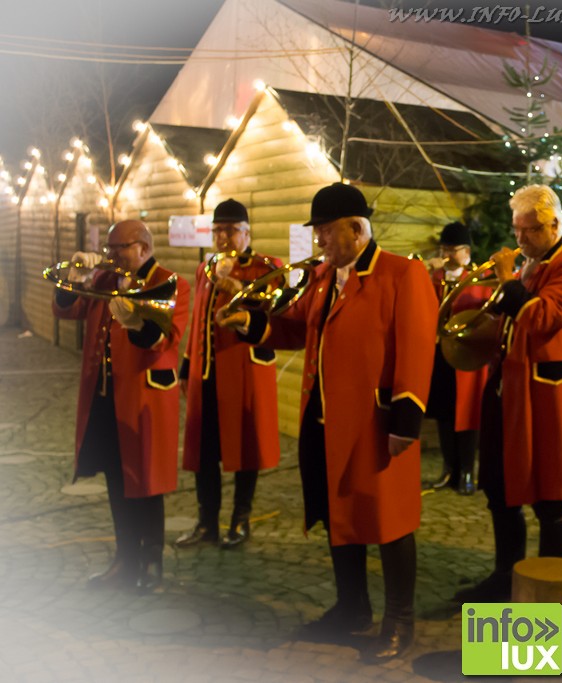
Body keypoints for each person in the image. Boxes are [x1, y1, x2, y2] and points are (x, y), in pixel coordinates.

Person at [218, 183, 436, 661]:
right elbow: (295, 328)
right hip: (325, 420)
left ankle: (400, 621)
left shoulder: (402, 273)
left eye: (326, 231)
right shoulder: (321, 278)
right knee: (340, 513)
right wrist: (249, 324)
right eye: (317, 231)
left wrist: (406, 419)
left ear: (357, 229)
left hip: (377, 422)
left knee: (390, 521)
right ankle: (352, 607)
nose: (319, 240)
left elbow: (417, 347)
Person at [453, 184, 562, 603]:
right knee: (499, 487)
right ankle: (506, 576)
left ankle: (550, 589)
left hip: (547, 398)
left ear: (555, 225)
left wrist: (506, 281)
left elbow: (541, 317)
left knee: (548, 494)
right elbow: (512, 321)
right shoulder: (530, 266)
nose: (520, 239)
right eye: (517, 229)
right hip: (509, 388)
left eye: (530, 230)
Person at [53, 220, 190, 592]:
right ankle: (125, 559)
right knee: (116, 476)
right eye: (109, 248)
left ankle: (151, 564)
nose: (111, 256)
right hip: (104, 395)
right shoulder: (104, 280)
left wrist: (134, 320)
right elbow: (67, 309)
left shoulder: (170, 282)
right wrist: (75, 278)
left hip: (144, 398)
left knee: (146, 481)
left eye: (119, 248)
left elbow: (164, 339)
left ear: (143, 247)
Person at [176, 199, 283, 549]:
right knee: (204, 451)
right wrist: (187, 366)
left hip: (243, 370)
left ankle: (240, 519)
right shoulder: (205, 269)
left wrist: (242, 292)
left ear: (247, 233)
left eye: (231, 230)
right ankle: (206, 522)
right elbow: (199, 318)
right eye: (218, 230)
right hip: (206, 372)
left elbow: (277, 310)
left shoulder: (266, 267)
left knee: (244, 448)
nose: (223, 237)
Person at [423, 221, 490, 495]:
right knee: (444, 413)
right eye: (444, 249)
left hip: (468, 356)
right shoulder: (434, 277)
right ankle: (448, 469)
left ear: (467, 252)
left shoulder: (480, 279)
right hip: (440, 354)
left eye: (454, 250)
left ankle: (467, 472)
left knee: (468, 413)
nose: (448, 255)